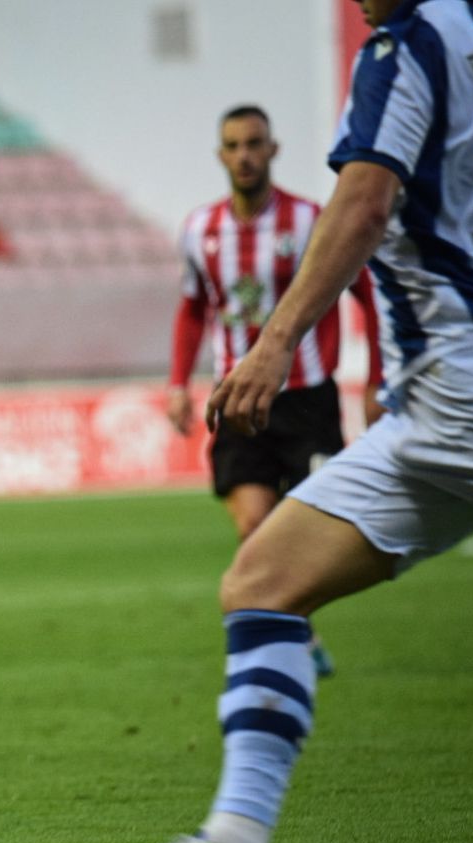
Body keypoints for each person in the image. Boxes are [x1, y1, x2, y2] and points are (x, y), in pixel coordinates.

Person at [82, 0, 473, 843]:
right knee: (261, 579)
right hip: (434, 408)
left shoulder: (409, 47)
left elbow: (365, 198)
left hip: (463, 390)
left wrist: (272, 343)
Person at [168, 104, 385, 677]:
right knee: (252, 527)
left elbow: (365, 293)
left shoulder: (310, 221)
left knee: (314, 531)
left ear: (273, 149)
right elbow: (192, 311)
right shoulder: (199, 229)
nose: (244, 155)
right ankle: (295, 637)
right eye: (234, 145)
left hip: (307, 397)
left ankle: (292, 619)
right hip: (236, 399)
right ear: (221, 154)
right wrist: (177, 384)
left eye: (254, 143)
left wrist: (377, 377)